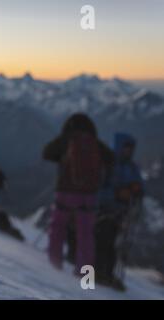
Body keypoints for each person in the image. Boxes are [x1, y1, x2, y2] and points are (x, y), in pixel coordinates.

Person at [43, 113, 114, 273]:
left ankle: (54, 266)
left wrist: (62, 158)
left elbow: (46, 153)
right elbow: (111, 158)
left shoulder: (66, 139)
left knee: (58, 228)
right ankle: (84, 272)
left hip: (65, 191)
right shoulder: (95, 143)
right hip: (88, 195)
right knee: (85, 234)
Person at [95, 133, 144, 291]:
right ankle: (95, 275)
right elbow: (97, 189)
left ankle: (106, 275)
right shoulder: (108, 164)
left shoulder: (131, 167)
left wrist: (137, 190)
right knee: (103, 242)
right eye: (126, 148)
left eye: (130, 149)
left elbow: (139, 186)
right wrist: (117, 194)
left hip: (121, 213)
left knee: (111, 245)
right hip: (104, 211)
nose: (128, 152)